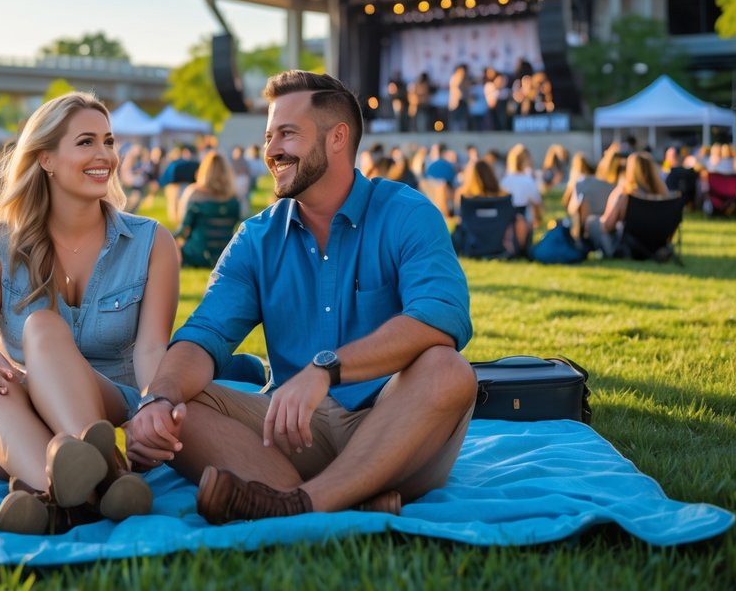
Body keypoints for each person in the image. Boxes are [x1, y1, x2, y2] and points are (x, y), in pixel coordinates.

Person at [127, 71, 475, 524]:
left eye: (287, 134)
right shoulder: (255, 237)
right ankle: (329, 499)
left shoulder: (408, 213)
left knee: (447, 370)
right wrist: (157, 399)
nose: (271, 151)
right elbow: (205, 334)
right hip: (292, 429)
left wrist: (326, 369)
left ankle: (304, 502)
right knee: (178, 404)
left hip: (393, 426)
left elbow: (439, 319)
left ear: (338, 138)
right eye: (269, 136)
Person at [0, 92, 179, 535]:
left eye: (109, 141)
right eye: (86, 142)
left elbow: (152, 348)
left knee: (41, 327)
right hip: (16, 403)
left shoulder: (152, 242)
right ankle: (89, 490)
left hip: (107, 399)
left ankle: (77, 481)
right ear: (46, 160)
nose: (105, 155)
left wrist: (152, 407)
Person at [586, 152, 671, 257]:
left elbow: (607, 226)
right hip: (655, 246)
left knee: (591, 221)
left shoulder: (625, 194)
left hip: (627, 249)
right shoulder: (663, 197)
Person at [175, 151, 242, 268]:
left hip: (196, 255)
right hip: (225, 255)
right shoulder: (234, 198)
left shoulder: (194, 193)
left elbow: (183, 228)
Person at [454, 158, 530, 253]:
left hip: (472, 247)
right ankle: (520, 251)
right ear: (491, 174)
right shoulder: (504, 198)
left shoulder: (464, 198)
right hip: (501, 246)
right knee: (520, 219)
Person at [499, 144, 542, 229]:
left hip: (506, 221)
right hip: (523, 220)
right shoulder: (528, 181)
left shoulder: (504, 180)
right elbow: (537, 202)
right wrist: (537, 219)